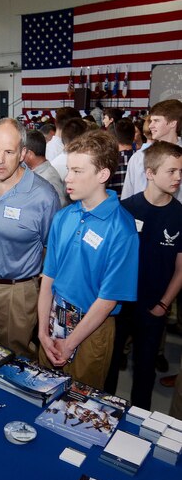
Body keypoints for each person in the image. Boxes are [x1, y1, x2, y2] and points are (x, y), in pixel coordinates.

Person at [38, 131, 139, 389]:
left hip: (91, 329)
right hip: (53, 319)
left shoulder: (122, 229)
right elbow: (48, 278)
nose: (68, 178)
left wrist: (70, 343)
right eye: (69, 169)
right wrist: (42, 331)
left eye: (77, 171)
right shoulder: (64, 216)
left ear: (102, 175)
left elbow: (107, 300)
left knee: (79, 406)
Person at [0, 118, 60, 358]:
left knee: (14, 360)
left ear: (23, 154)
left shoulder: (43, 195)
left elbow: (52, 248)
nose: (0, 159)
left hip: (16, 292)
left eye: (9, 152)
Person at [106, 142, 182, 408]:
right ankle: (105, 412)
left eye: (180, 171)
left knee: (145, 370)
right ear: (150, 173)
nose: (178, 177)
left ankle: (138, 421)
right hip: (118, 305)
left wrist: (163, 305)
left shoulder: (180, 215)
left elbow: (181, 269)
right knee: (110, 365)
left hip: (153, 308)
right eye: (171, 171)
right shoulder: (125, 208)